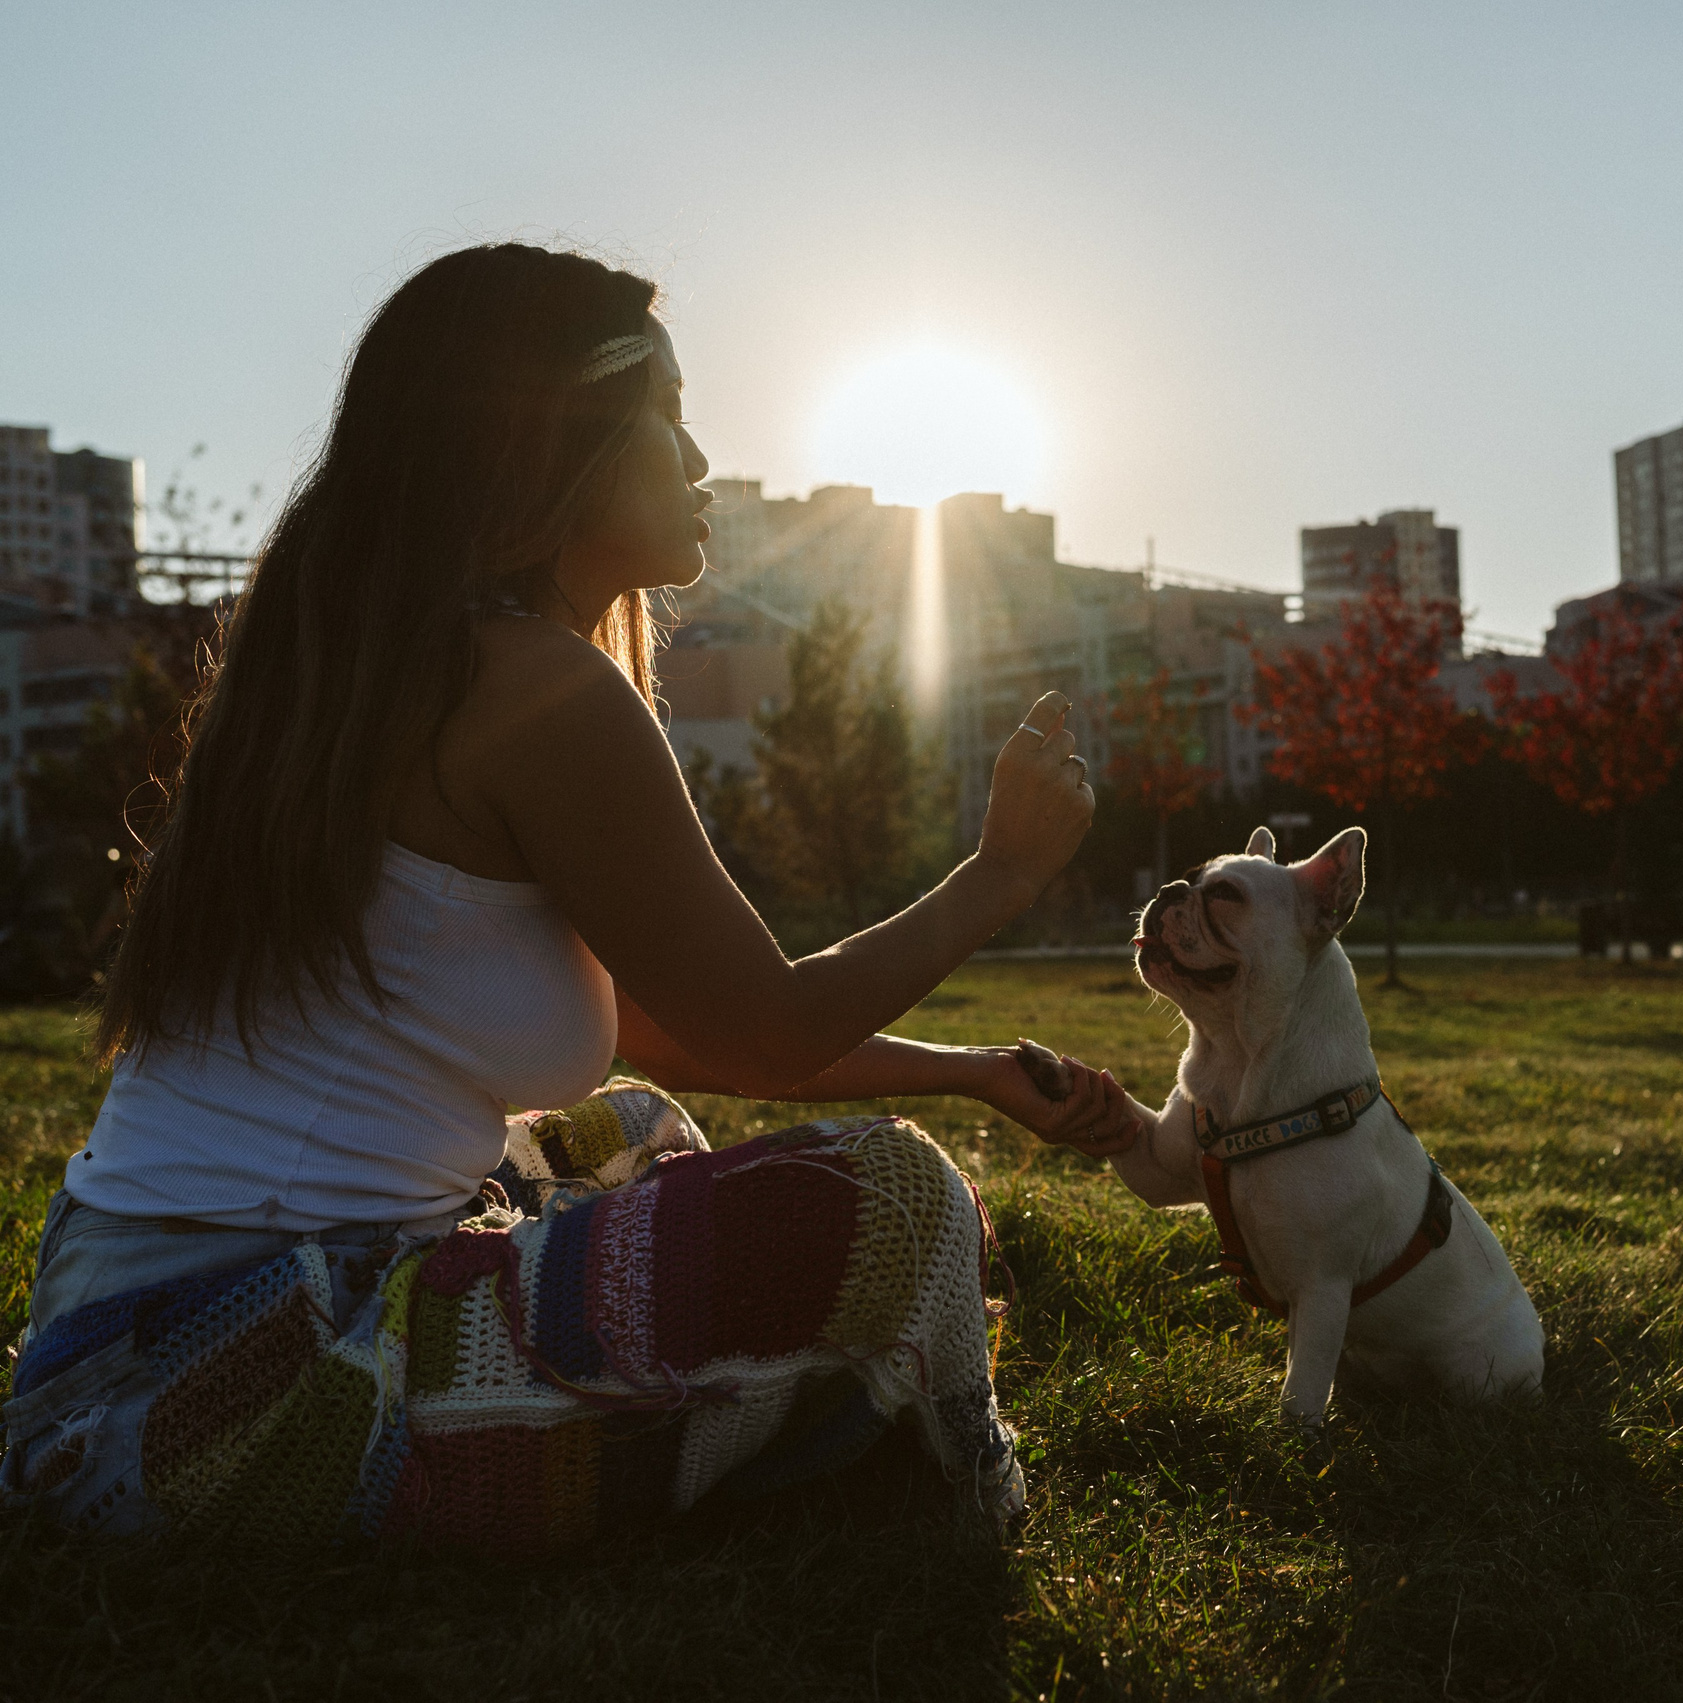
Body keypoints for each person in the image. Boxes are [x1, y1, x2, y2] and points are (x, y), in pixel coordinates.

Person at [0, 244, 1144, 1557]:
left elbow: (679, 1038)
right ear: (555, 440)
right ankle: (913, 1474)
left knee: (631, 1132)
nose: (699, 458)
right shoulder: (529, 685)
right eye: (668, 411)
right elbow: (765, 1031)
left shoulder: (392, 665)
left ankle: (770, 1430)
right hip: (231, 1387)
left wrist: (976, 1070)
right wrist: (1001, 874)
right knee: (899, 1204)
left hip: (121, 1339)